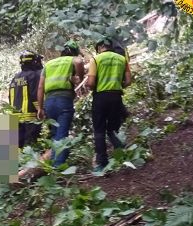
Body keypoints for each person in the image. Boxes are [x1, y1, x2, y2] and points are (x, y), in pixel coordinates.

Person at [86, 37, 132, 172]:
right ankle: (121, 151)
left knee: (99, 130)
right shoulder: (122, 59)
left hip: (100, 97)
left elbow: (90, 83)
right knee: (112, 127)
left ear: (100, 47)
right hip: (116, 96)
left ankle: (102, 163)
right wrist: (118, 84)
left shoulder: (96, 59)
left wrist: (93, 86)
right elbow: (128, 81)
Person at [36, 40, 85, 168]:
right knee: (62, 136)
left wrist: (40, 108)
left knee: (55, 135)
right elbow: (79, 62)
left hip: (49, 102)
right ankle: (58, 167)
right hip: (63, 100)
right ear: (74, 52)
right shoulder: (72, 60)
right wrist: (80, 76)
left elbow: (40, 87)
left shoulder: (49, 64)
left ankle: (53, 163)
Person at [8, 50, 44, 148]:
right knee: (30, 147)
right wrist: (40, 110)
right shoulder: (34, 76)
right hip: (30, 118)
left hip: (14, 118)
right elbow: (35, 95)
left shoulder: (15, 78)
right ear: (34, 62)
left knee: (16, 147)